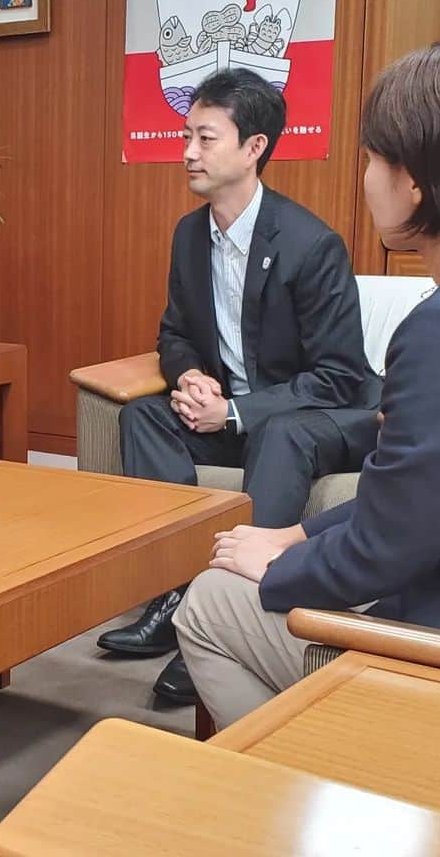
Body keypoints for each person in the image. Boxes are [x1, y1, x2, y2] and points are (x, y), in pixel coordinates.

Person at [174, 37, 440, 730]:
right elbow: (423, 491)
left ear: (417, 180)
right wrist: (297, 533)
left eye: (374, 159)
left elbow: (390, 547)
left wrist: (280, 567)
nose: (368, 177)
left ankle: (330, 787)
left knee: (208, 602)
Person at [96, 68, 381, 707]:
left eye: (205, 137)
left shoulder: (311, 245)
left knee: (277, 432)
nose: (187, 152)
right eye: (185, 136)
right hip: (233, 412)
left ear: (254, 148)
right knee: (142, 416)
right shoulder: (189, 234)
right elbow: (174, 333)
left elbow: (338, 377)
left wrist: (234, 412)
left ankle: (229, 612)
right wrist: (191, 375)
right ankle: (173, 595)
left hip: (318, 417)